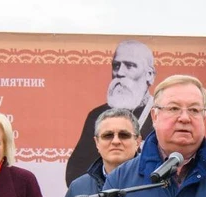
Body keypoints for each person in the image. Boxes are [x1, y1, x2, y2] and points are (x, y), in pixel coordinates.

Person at [65, 40, 156, 186]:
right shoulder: (97, 115)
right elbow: (76, 172)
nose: (119, 72)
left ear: (149, 75)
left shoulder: (161, 117)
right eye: (116, 65)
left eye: (130, 66)